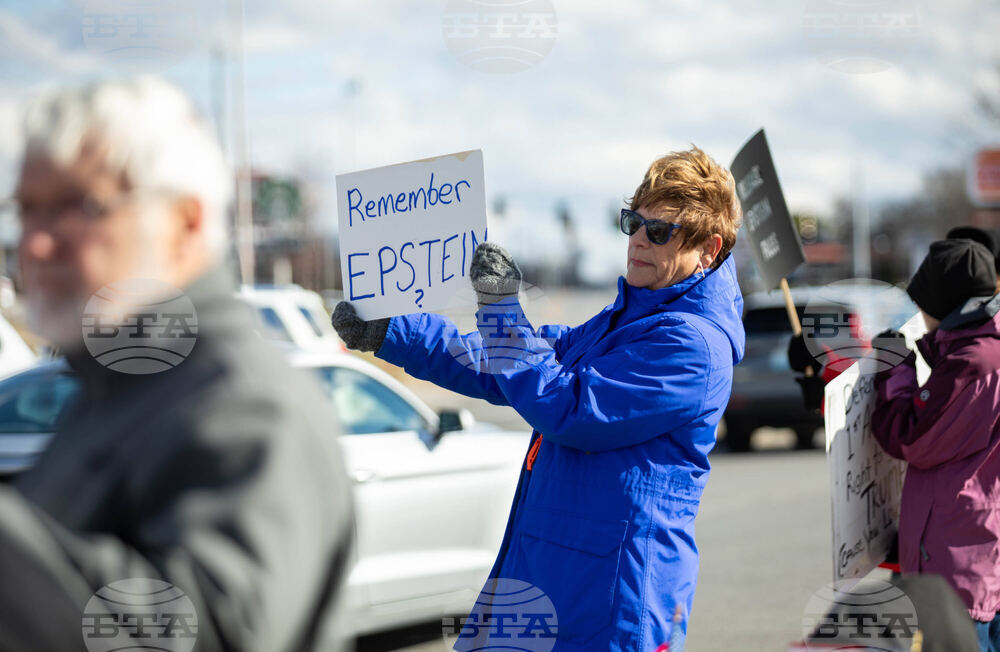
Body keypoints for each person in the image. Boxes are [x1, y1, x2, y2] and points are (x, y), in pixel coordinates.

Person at [333, 146, 745, 650]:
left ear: (708, 249)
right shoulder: (625, 321)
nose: (639, 239)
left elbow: (567, 406)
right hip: (552, 580)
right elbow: (506, 365)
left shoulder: (693, 344)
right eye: (633, 222)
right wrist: (394, 330)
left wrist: (501, 308)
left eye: (660, 232)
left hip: (611, 602)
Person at [0, 76, 354, 652]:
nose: (35, 245)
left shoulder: (246, 404)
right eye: (27, 210)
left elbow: (213, 632)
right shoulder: (114, 388)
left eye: (74, 207)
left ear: (184, 223)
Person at [871, 239, 1000, 652]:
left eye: (922, 304)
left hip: (961, 566)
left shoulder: (974, 363)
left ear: (944, 305)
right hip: (978, 556)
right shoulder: (982, 348)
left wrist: (896, 370)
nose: (920, 317)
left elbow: (911, 436)